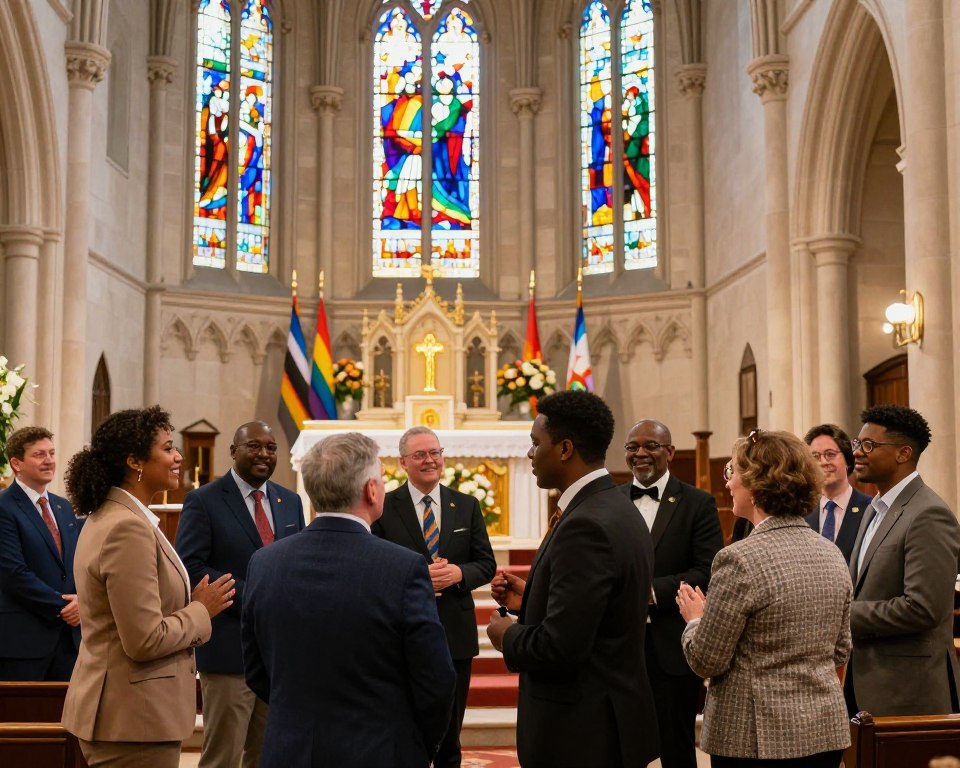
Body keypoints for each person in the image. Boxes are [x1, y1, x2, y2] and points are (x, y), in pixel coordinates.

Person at [241, 432, 456, 768]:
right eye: (382, 480)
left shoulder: (264, 563)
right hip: (380, 750)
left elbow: (256, 670)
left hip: (291, 749)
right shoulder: (402, 567)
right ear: (371, 491)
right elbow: (436, 679)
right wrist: (420, 744)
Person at [486, 390, 659, 768]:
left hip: (582, 732)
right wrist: (531, 597)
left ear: (565, 449)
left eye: (536, 443)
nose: (530, 453)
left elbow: (561, 648)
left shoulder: (586, 525)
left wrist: (505, 634)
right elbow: (601, 611)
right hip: (606, 717)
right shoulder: (617, 506)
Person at [61, 407, 235, 768]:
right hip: (131, 719)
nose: (178, 457)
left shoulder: (118, 516)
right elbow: (144, 640)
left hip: (129, 715)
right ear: (135, 461)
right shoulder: (128, 528)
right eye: (169, 448)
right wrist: (201, 609)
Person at [677, 430, 851, 767]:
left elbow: (706, 660)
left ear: (756, 485)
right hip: (824, 731)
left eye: (733, 472)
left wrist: (695, 619)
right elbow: (841, 649)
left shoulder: (738, 559)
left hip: (756, 739)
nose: (728, 484)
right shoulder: (831, 553)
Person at [176, 421, 304, 768]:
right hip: (230, 649)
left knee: (270, 755)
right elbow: (191, 565)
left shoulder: (289, 501)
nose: (264, 453)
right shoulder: (204, 500)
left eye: (271, 447)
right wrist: (255, 596)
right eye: (254, 446)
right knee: (223, 756)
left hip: (279, 652)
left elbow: (300, 560)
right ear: (234, 451)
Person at [372, 426, 495, 768]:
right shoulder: (384, 507)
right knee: (404, 727)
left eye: (435, 453)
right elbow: (373, 564)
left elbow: (486, 563)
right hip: (401, 632)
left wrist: (458, 574)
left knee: (448, 732)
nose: (430, 460)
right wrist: (415, 578)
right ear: (402, 462)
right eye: (420, 455)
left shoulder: (466, 505)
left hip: (455, 632)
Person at [618, 419, 723, 768]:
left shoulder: (697, 503)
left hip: (672, 643)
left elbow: (706, 571)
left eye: (651, 445)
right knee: (621, 742)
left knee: (676, 744)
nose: (641, 453)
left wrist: (649, 593)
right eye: (633, 447)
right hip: (618, 643)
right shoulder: (611, 502)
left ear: (670, 452)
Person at [846, 404, 960, 716]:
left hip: (910, 690)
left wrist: (843, 614)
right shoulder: (874, 507)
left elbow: (923, 608)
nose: (857, 452)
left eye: (869, 445)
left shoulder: (928, 514)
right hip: (868, 683)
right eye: (857, 443)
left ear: (903, 453)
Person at [0, 426, 81, 680]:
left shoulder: (63, 507)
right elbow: (13, 573)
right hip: (23, 641)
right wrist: (64, 606)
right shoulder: (4, 507)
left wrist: (83, 601)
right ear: (16, 463)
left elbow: (77, 564)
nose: (49, 461)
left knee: (68, 718)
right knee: (22, 718)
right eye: (39, 455)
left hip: (70, 641)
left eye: (52, 453)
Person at [803, 423, 872, 563]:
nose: (823, 462)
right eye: (815, 457)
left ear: (848, 459)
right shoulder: (802, 511)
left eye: (830, 454)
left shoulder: (870, 509)